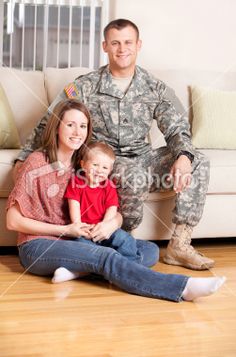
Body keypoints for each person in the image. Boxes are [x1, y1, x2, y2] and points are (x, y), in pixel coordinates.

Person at [14, 19, 214, 270]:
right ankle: (119, 240)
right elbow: (50, 122)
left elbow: (177, 129)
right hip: (104, 161)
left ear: (138, 45)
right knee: (132, 173)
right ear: (105, 46)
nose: (122, 49)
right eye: (115, 43)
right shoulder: (85, 86)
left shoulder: (155, 87)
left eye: (128, 42)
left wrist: (184, 157)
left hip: (144, 157)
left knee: (198, 160)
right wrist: (23, 158)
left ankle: (180, 245)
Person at [6, 98, 226, 302]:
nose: (77, 132)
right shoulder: (36, 161)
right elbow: (13, 221)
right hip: (39, 245)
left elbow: (112, 208)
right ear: (57, 127)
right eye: (70, 125)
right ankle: (181, 288)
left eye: (83, 126)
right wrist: (67, 230)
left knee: (150, 250)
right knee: (107, 255)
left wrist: (110, 224)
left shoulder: (85, 165)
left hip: (78, 239)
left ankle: (79, 269)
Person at [64, 141, 145, 263]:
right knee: (81, 247)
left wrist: (105, 226)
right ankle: (83, 269)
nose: (99, 170)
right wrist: (79, 225)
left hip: (103, 229)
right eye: (95, 165)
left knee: (126, 240)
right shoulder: (76, 183)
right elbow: (73, 205)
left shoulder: (109, 186)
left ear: (110, 170)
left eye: (105, 167)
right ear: (83, 164)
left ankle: (128, 266)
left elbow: (111, 208)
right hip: (84, 231)